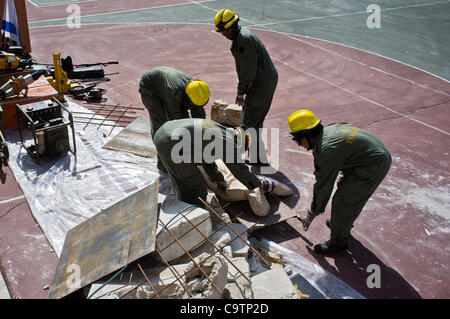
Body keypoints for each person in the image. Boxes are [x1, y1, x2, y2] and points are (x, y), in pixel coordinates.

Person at [289, 110, 392, 254]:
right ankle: (341, 224)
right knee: (345, 191)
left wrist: (314, 210)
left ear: (307, 135)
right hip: (368, 157)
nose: (299, 145)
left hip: (372, 165)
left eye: (297, 140)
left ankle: (338, 244)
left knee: (344, 201)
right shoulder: (329, 130)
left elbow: (323, 185)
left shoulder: (326, 150)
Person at [153, 118, 275, 208]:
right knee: (193, 185)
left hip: (163, 130)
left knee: (178, 166)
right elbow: (239, 169)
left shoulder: (221, 129)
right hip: (171, 143)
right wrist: (259, 184)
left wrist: (217, 177)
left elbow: (206, 158)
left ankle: (167, 167)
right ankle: (192, 213)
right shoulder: (229, 142)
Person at [214, 8, 278, 165]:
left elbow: (248, 71)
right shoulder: (241, 37)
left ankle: (246, 155)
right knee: (255, 119)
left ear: (234, 25)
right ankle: (257, 155)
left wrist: (241, 92)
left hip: (260, 84)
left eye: (226, 31)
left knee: (249, 120)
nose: (225, 35)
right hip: (263, 81)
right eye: (222, 32)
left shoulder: (243, 41)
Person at [139, 66, 210, 171]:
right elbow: (178, 121)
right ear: (187, 97)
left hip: (165, 83)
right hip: (150, 87)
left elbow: (199, 116)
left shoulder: (197, 89)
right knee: (161, 123)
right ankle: (162, 159)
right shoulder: (175, 93)